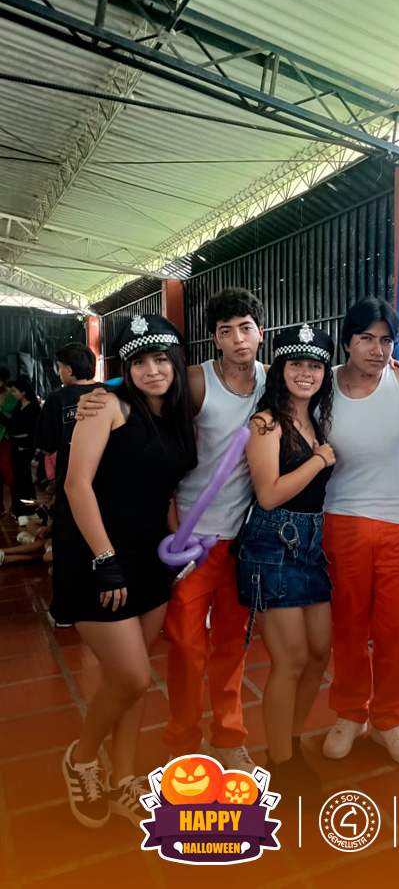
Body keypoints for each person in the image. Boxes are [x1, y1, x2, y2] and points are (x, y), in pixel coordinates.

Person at [78, 289, 267, 771]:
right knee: (185, 646)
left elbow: (324, 378)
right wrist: (99, 392)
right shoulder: (197, 381)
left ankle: (229, 736)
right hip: (185, 538)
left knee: (232, 644)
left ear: (260, 332)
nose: (238, 339)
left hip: (242, 538)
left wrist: (390, 366)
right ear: (214, 339)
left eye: (246, 328)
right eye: (226, 331)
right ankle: (182, 740)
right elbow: (148, 382)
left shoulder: (274, 380)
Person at [54, 315, 197, 829]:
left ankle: (124, 780)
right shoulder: (108, 406)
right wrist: (104, 558)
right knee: (132, 676)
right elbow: (76, 485)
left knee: (132, 682)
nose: (152, 370)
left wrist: (179, 543)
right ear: (125, 368)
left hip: (150, 559)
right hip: (97, 559)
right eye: (139, 362)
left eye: (161, 359)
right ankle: (81, 759)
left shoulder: (175, 415)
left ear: (176, 362)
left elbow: (164, 490)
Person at [322, 298, 399, 765]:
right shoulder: (322, 384)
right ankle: (350, 712)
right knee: (347, 625)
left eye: (386, 340)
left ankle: (389, 717)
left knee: (394, 628)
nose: (377, 349)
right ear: (347, 341)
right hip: (341, 518)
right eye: (366, 338)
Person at [238, 324, 335, 796]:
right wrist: (318, 460)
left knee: (318, 654)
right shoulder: (266, 423)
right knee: (291, 659)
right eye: (297, 363)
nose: (306, 373)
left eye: (315, 365)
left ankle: (291, 744)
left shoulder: (315, 420)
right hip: (272, 544)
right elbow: (269, 494)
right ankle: (280, 761)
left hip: (311, 544)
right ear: (280, 369)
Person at [35, 343, 101, 500]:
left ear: (69, 370)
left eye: (59, 368)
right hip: (112, 479)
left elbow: (47, 447)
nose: (58, 373)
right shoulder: (111, 393)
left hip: (72, 481)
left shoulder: (56, 399)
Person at [0, 376, 41, 518]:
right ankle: (19, 509)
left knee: (24, 478)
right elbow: (12, 424)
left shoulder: (33, 408)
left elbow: (28, 428)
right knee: (17, 478)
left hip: (26, 445)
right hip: (15, 443)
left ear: (23, 392)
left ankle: (29, 509)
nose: (13, 394)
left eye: (15, 391)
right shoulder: (18, 406)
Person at [0, 367, 17, 513]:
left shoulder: (13, 394)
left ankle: (14, 505)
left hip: (8, 439)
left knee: (9, 471)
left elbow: (15, 416)